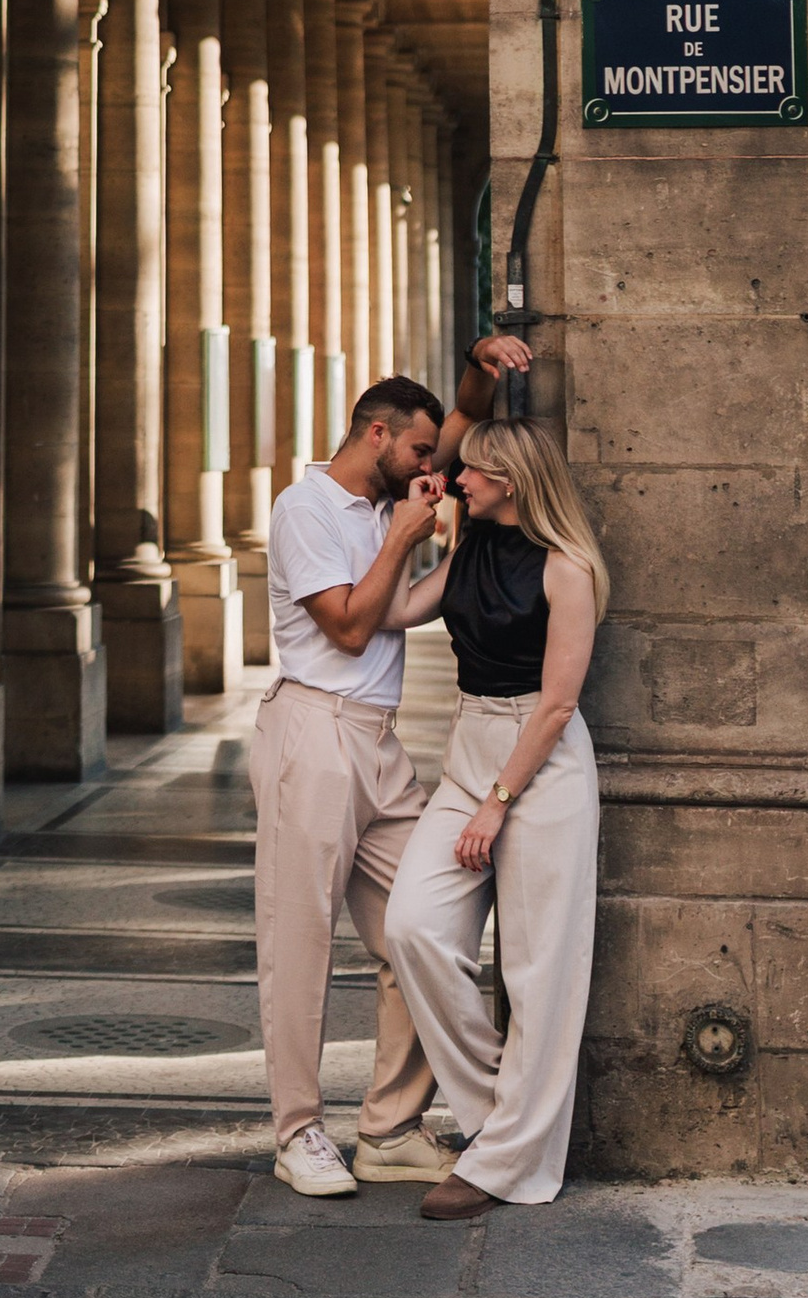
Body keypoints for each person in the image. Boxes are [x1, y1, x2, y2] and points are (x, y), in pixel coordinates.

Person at [253, 348, 530, 1197]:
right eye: (419, 455)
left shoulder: (389, 494)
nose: (435, 472)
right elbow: (346, 626)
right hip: (313, 734)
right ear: (377, 436)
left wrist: (483, 366)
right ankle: (298, 1133)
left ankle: (388, 1127)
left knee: (426, 925)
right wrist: (408, 537)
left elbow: (459, 425)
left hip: (378, 745)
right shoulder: (308, 509)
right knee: (298, 943)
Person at [382, 419, 609, 1222]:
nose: (456, 479)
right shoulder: (467, 549)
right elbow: (395, 611)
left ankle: (507, 1161)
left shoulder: (568, 568)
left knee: (540, 972)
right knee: (413, 927)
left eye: (470, 471)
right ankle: (499, 1124)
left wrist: (497, 802)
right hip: (471, 744)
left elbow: (557, 706)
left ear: (509, 479)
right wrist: (405, 533)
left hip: (540, 769)